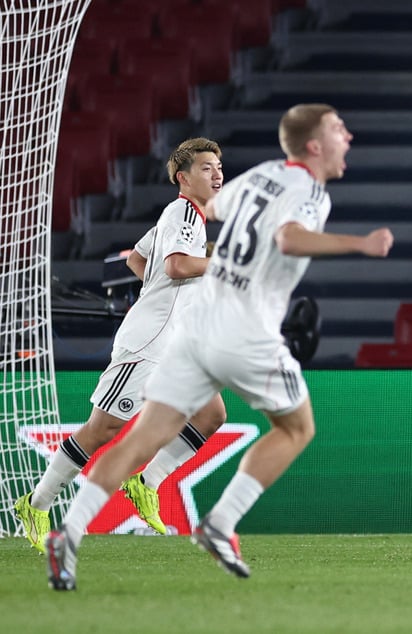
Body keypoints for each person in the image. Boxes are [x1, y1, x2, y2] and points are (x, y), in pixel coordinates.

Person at [45, 103, 394, 591]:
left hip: (194, 329)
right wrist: (360, 245)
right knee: (296, 427)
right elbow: (290, 239)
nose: (349, 137)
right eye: (339, 130)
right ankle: (221, 524)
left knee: (150, 435)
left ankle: (70, 532)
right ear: (314, 146)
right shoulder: (310, 192)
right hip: (245, 330)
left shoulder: (263, 176)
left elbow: (214, 209)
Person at [16, 138, 228, 552]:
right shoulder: (184, 212)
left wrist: (162, 293)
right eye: (206, 167)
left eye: (219, 165)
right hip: (147, 342)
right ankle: (36, 504)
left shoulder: (185, 216)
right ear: (183, 178)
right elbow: (179, 265)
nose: (217, 172)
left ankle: (146, 483)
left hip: (176, 340)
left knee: (211, 413)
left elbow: (136, 258)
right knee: (103, 429)